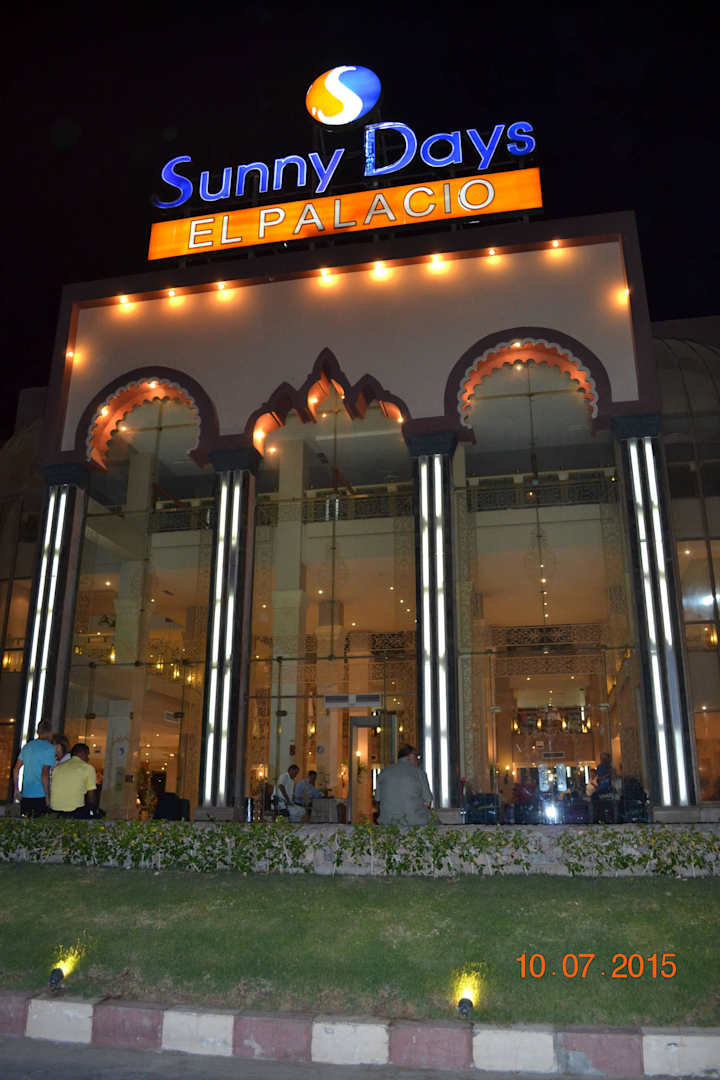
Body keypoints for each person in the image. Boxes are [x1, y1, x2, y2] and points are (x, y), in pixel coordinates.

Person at [375, 744, 433, 826]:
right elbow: (428, 802)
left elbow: (378, 799)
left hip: (387, 821)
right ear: (410, 756)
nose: (418, 760)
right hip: (414, 822)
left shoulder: (384, 772)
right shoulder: (419, 772)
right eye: (417, 756)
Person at [12, 719, 56, 817]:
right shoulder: (49, 748)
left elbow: (16, 769)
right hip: (41, 794)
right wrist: (47, 797)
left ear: (38, 731)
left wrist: (16, 789)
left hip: (26, 794)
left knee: (27, 823)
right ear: (50, 732)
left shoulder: (27, 747)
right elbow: (44, 774)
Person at [49, 743, 98, 818]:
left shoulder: (57, 768)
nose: (88, 758)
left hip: (55, 810)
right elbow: (91, 796)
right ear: (82, 753)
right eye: (87, 755)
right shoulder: (87, 768)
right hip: (75, 812)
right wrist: (93, 811)